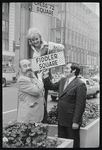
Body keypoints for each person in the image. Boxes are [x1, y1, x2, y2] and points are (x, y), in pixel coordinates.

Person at [43, 62, 87, 148]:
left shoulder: (80, 84)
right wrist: (45, 76)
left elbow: (80, 105)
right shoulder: (63, 81)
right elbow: (51, 86)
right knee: (62, 142)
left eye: (67, 68)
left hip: (71, 120)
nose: (65, 70)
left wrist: (76, 121)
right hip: (61, 119)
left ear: (73, 70)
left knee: (73, 142)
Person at [27, 27, 52, 123]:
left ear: (40, 38)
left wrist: (53, 46)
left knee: (43, 100)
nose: (35, 41)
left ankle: (44, 121)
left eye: (36, 39)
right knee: (34, 100)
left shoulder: (47, 47)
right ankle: (35, 121)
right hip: (34, 78)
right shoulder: (29, 48)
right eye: (32, 40)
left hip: (44, 77)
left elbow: (61, 48)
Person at [17, 59, 45, 123]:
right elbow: (37, 91)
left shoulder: (31, 77)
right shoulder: (22, 80)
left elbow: (40, 89)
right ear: (20, 69)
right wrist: (40, 78)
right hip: (28, 118)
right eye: (25, 66)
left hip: (34, 116)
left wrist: (35, 77)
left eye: (29, 65)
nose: (28, 68)